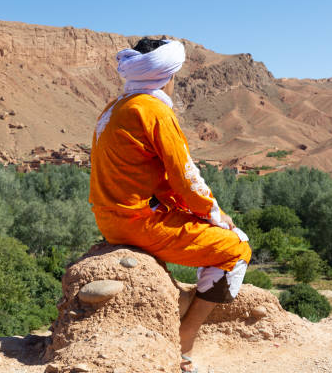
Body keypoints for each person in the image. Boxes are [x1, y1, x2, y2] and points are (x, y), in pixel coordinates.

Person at [89, 37, 251, 373]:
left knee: (208, 230)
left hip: (111, 219)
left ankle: (181, 302)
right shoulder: (154, 111)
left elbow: (161, 182)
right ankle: (184, 343)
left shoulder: (116, 107)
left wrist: (200, 214)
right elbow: (186, 178)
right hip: (137, 221)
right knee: (237, 250)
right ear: (167, 75)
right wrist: (218, 217)